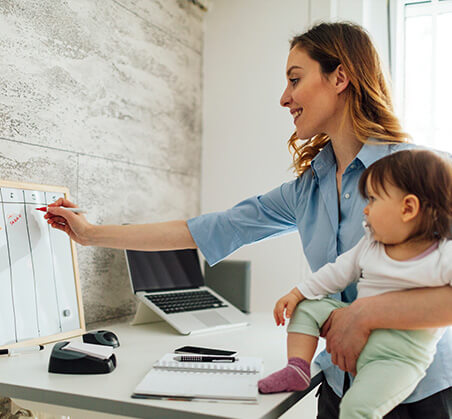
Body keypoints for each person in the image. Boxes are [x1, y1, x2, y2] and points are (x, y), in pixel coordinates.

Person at [44, 22, 452, 418]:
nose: (283, 98)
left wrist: (364, 315)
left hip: (422, 394)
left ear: (340, 77)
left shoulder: (427, 176)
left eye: (295, 79)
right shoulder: (307, 190)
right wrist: (90, 234)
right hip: (340, 386)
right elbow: (209, 228)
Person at [257, 149, 452, 418]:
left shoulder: (443, 255)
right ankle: (297, 368)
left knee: (356, 408)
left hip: (397, 358)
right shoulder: (370, 245)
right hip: (353, 334)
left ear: (408, 208)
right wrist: (297, 293)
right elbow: (336, 272)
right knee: (308, 306)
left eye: (372, 198)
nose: (365, 208)